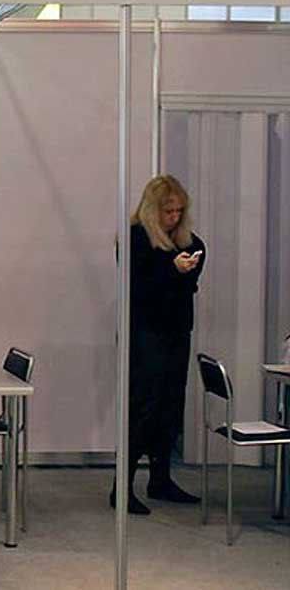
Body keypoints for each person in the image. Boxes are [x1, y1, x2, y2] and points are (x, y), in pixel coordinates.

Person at [112, 175, 206, 515]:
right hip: (144, 333)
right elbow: (138, 287)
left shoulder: (190, 242)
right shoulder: (135, 239)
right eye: (168, 211)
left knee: (170, 405)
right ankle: (122, 487)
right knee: (143, 407)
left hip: (176, 332)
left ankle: (160, 479)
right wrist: (171, 270)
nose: (174, 218)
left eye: (179, 211)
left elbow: (189, 284)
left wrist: (181, 272)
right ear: (153, 210)